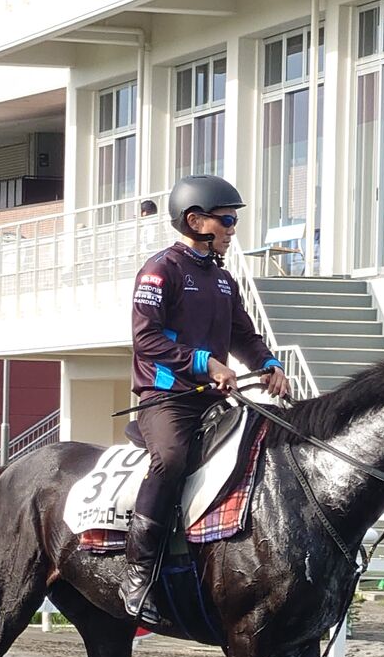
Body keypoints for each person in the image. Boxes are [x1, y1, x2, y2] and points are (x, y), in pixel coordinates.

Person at [119, 173, 290, 618]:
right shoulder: (160, 271)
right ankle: (137, 573)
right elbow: (146, 341)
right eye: (227, 221)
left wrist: (268, 364)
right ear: (195, 221)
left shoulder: (222, 279)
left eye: (233, 222)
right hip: (166, 399)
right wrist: (205, 363)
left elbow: (243, 335)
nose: (233, 230)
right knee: (171, 461)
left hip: (213, 400)